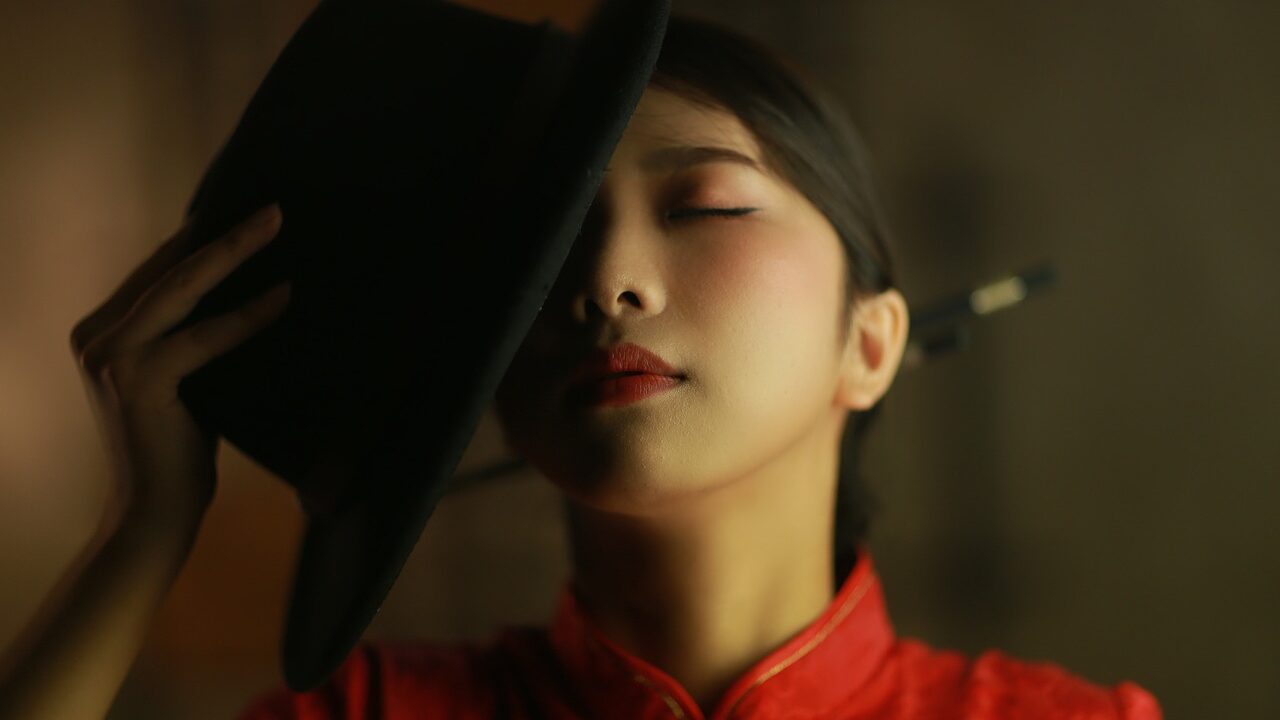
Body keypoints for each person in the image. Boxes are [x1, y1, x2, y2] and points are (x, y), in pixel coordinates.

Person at [0, 12, 1162, 720]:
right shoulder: (368, 719)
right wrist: (144, 529)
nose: (605, 280)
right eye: (541, 248)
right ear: (488, 385)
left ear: (870, 344)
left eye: (704, 203)